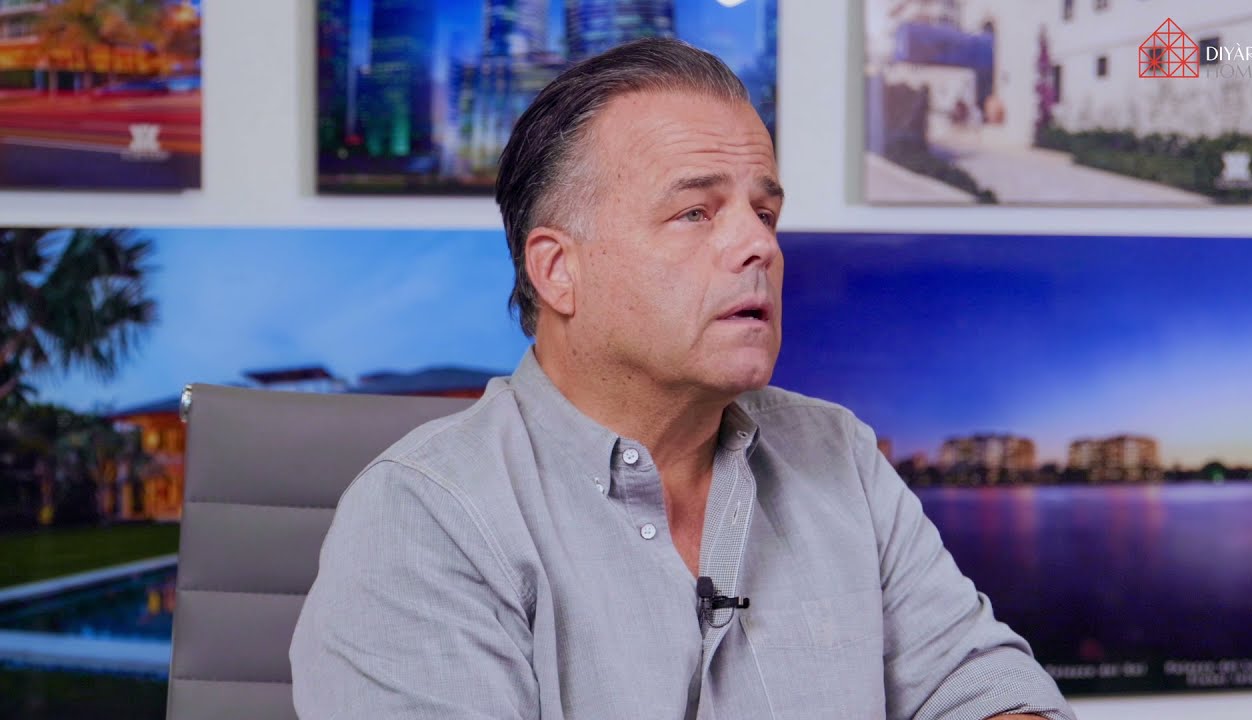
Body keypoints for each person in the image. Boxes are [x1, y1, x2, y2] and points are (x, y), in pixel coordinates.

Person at [290, 38, 1076, 720]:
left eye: (764, 214)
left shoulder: (837, 453)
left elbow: (987, 688)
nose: (759, 247)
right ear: (558, 271)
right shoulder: (425, 518)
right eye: (696, 213)